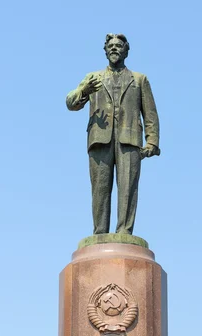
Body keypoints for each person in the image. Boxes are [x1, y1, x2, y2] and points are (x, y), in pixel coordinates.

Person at [66, 33, 160, 235]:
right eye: (111, 46)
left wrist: (152, 141)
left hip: (130, 138)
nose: (114, 49)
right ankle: (99, 233)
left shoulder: (139, 79)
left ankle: (124, 232)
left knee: (128, 189)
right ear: (105, 50)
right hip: (100, 138)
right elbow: (70, 103)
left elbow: (150, 112)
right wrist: (83, 89)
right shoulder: (93, 78)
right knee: (99, 189)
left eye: (119, 46)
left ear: (126, 50)